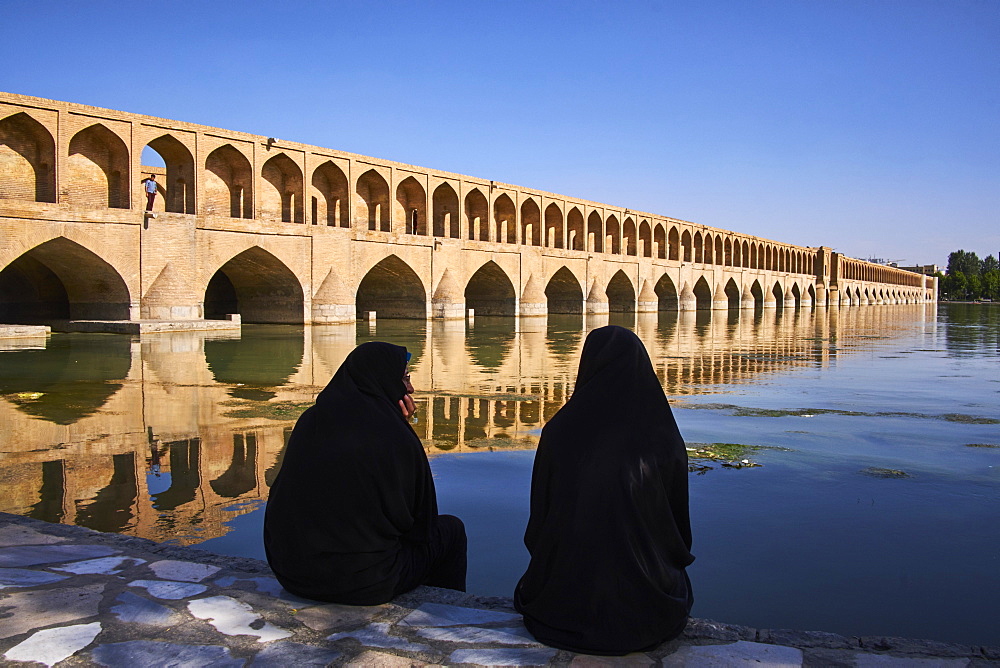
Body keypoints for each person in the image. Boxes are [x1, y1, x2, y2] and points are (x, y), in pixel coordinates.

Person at [514, 325, 694, 655]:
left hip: (558, 609)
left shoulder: (559, 430)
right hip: (646, 616)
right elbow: (678, 532)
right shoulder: (661, 435)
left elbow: (540, 521)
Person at [264, 342, 466, 605]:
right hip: (365, 581)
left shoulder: (310, 421)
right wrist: (405, 429)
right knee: (450, 531)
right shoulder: (392, 435)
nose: (411, 388)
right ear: (384, 380)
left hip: (292, 573)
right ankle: (447, 613)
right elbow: (420, 524)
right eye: (405, 379)